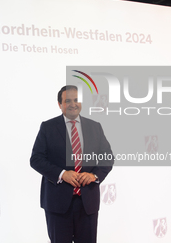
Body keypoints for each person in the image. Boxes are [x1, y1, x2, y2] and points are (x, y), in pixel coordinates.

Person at [30, 85, 114, 243]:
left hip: (87, 203)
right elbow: (36, 159)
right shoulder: (48, 128)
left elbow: (107, 157)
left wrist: (93, 175)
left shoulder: (95, 127)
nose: (73, 104)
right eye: (67, 100)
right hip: (57, 204)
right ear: (59, 104)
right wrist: (62, 174)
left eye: (76, 100)